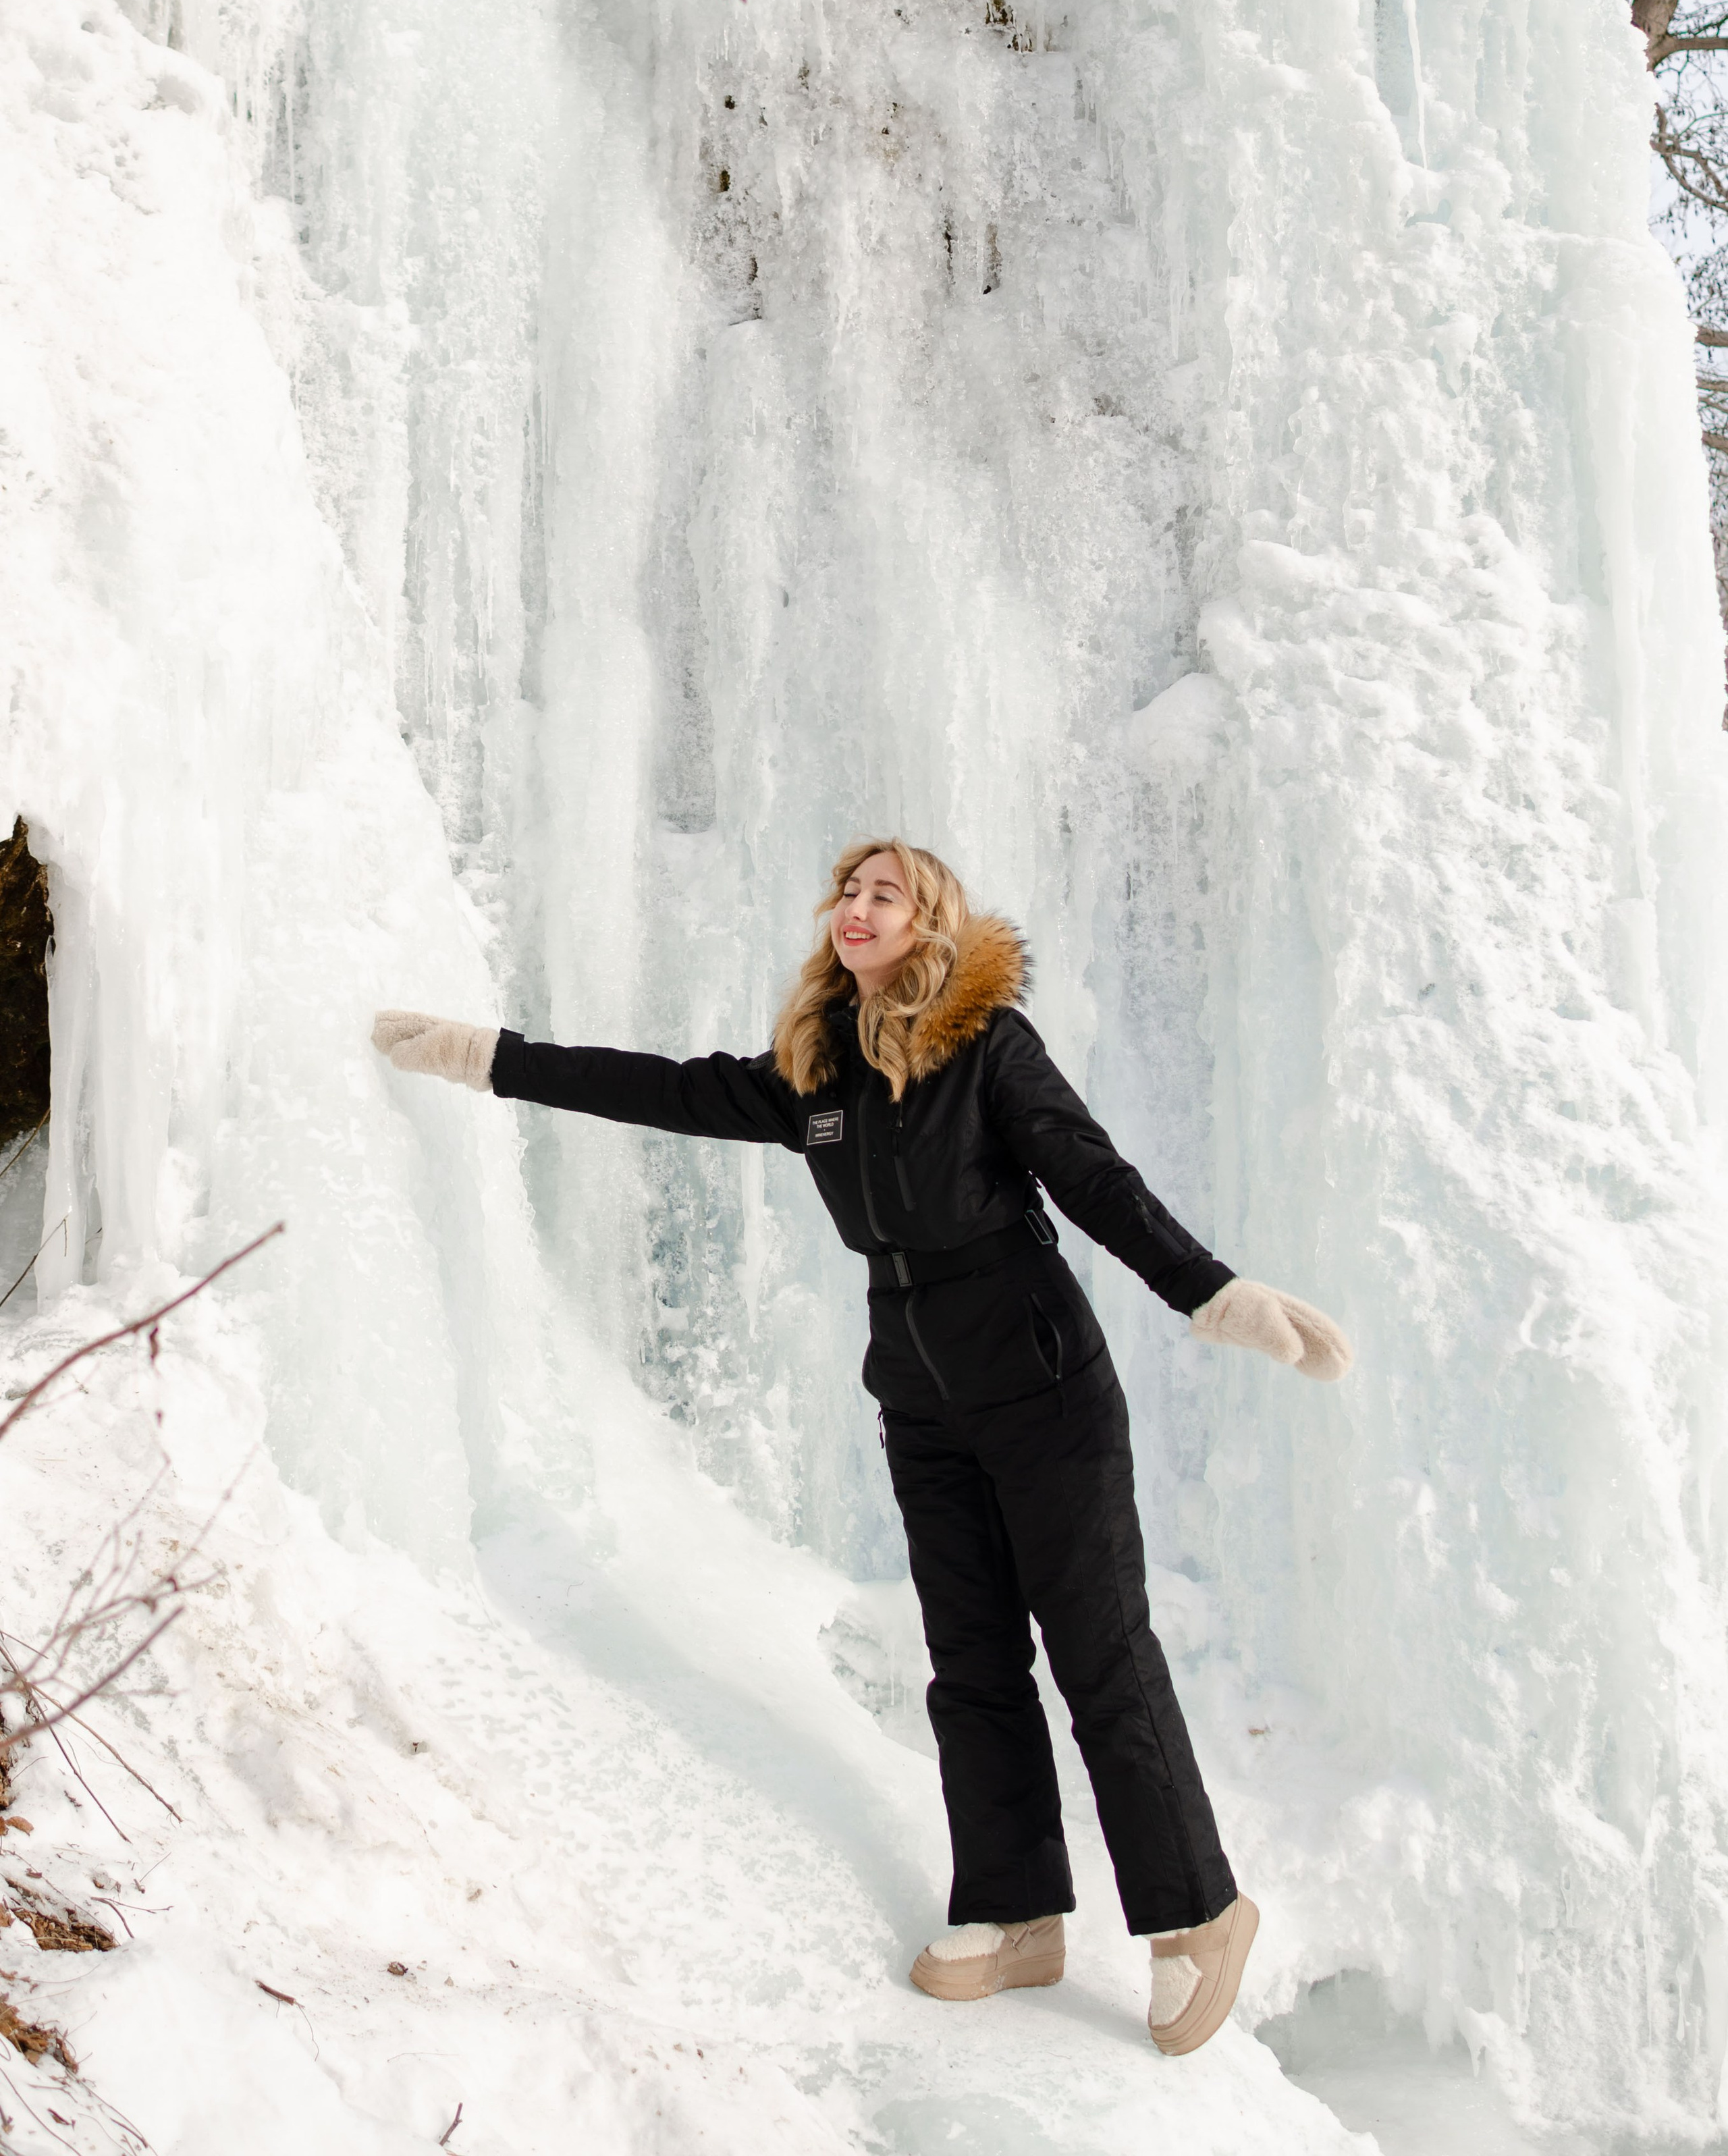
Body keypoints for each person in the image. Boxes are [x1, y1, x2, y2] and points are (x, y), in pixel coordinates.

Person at [373, 838, 1351, 2054]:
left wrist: (1212, 1293)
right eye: (846, 888)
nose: (857, 905)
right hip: (922, 1395)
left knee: (1098, 1646)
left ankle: (1198, 1914)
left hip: (1044, 1383)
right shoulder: (818, 1073)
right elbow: (665, 1088)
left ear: (929, 918)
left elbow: (1095, 1178)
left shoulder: (987, 1045)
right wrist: (487, 1057)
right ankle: (1015, 1911)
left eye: (884, 890)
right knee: (970, 1654)